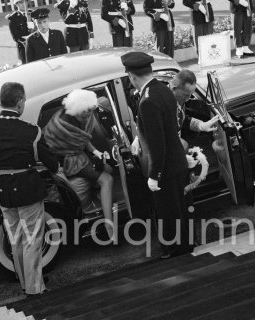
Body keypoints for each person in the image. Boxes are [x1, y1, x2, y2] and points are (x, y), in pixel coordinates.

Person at [0, 82, 58, 296]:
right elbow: (51, 162)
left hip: (2, 191)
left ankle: (24, 281)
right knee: (32, 240)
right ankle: (34, 288)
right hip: (27, 190)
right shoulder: (30, 132)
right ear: (20, 102)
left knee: (16, 239)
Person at [122, 51, 191, 258]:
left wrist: (154, 176)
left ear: (132, 76)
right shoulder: (163, 89)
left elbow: (157, 143)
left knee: (168, 214)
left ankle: (176, 253)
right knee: (180, 210)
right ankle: (185, 248)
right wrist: (138, 137)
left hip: (165, 168)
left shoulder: (147, 101)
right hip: (176, 161)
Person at [43, 89, 115, 239]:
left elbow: (83, 138)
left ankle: (98, 193)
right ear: (75, 109)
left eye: (90, 111)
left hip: (80, 155)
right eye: (85, 112)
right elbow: (73, 141)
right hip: (70, 161)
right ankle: (109, 226)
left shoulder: (82, 115)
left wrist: (96, 152)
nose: (88, 115)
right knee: (107, 180)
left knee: (109, 168)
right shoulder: (63, 124)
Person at [169, 69, 219, 150]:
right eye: (185, 95)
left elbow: (181, 118)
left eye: (190, 95)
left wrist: (200, 125)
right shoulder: (162, 103)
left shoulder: (178, 98)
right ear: (174, 88)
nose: (188, 99)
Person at [6, 0, 34, 64]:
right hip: (24, 49)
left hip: (37, 47)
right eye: (21, 2)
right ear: (16, 4)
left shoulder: (33, 13)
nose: (23, 4)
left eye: (25, 2)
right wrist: (28, 41)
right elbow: (16, 37)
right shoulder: (13, 18)